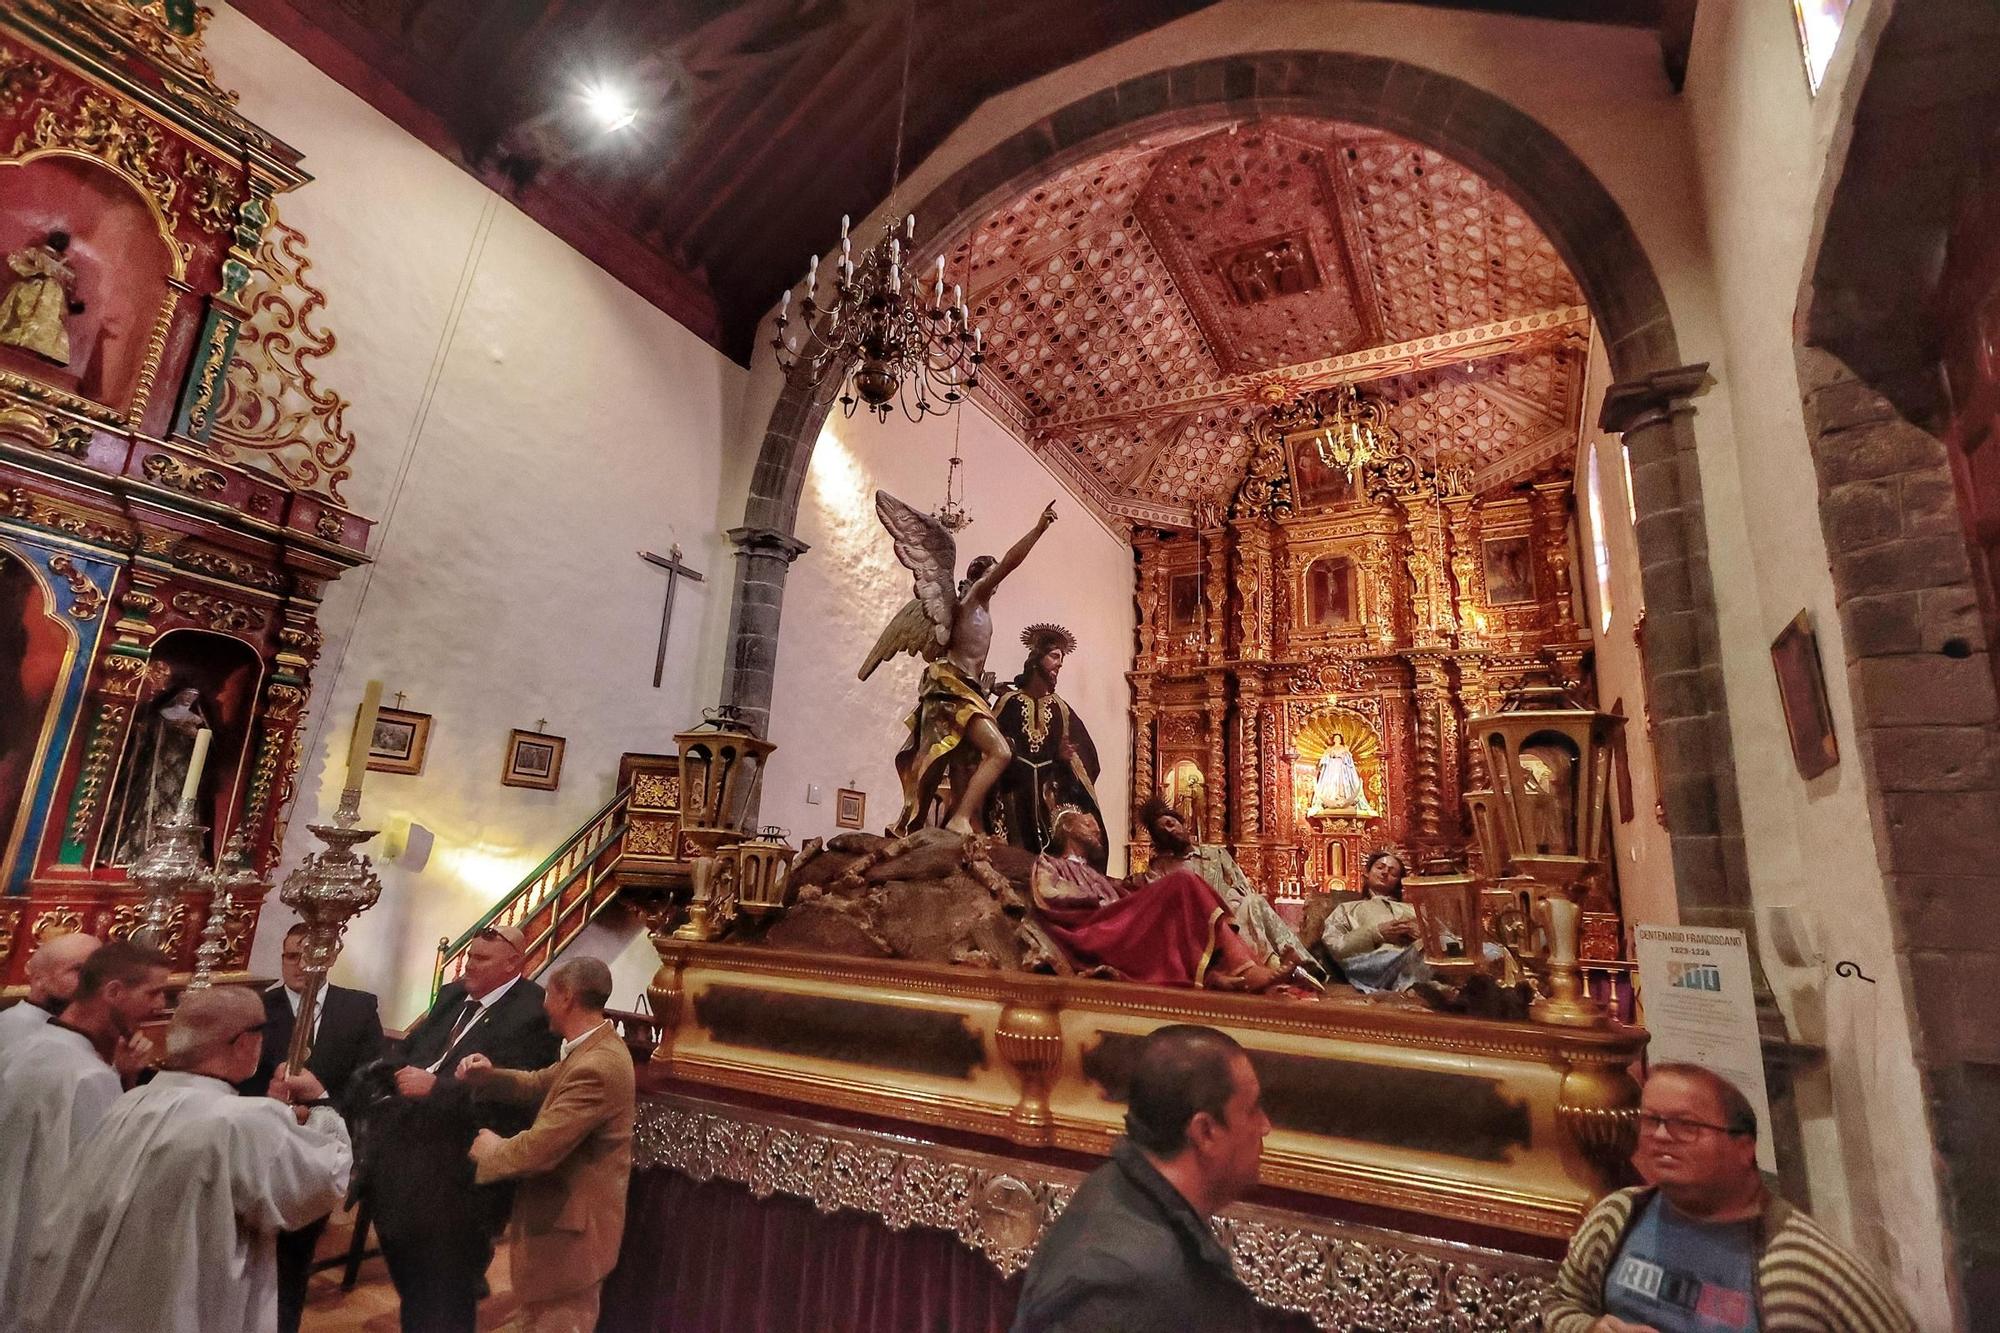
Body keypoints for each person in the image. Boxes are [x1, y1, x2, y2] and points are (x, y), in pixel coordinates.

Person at [19, 987, 351, 1333]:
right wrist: (319, 1102)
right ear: (243, 1043)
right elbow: (327, 1177)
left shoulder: (133, 1102)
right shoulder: (240, 1121)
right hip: (187, 1297)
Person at [1544, 1063, 1913, 1333]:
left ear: (1744, 1147)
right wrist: (1590, 1329)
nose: (1660, 1136)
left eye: (1685, 1125)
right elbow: (1561, 1305)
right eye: (1650, 1120)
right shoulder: (1617, 1219)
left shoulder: (1803, 1269)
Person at [1012, 1025, 1276, 1332]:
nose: (1265, 1126)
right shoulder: (1139, 1289)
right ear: (1205, 1132)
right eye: (1252, 1110)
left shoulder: (1115, 1184)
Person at [365, 922, 558, 1333]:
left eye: (481, 959)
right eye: (469, 956)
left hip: (462, 1154)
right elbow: (414, 1049)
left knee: (443, 1281)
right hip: (407, 1139)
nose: (468, 965)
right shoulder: (454, 995)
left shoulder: (533, 1012)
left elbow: (515, 1092)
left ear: (513, 965)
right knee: (410, 1262)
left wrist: (437, 1088)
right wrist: (396, 1072)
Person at [457, 957, 635, 1333]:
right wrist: (490, 1077)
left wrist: (490, 1150)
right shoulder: (591, 1048)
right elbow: (541, 1083)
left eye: (549, 995)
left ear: (567, 997)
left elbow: (539, 1149)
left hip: (573, 1240)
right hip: (559, 1231)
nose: (543, 1004)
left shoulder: (598, 1066)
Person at [0, 939, 169, 1329]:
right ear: (113, 992)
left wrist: (121, 1075)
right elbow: (98, 1190)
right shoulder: (87, 1076)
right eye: (154, 992)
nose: (160, 1006)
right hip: (39, 1248)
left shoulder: (31, 1046)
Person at [239, 923, 385, 1333]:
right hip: (260, 1138)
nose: (300, 965)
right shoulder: (256, 1007)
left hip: (324, 1144)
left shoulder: (357, 1007)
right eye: (290, 956)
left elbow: (372, 1078)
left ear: (332, 957)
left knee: (296, 1252)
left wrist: (323, 1097)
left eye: (311, 955)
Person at [1032, 809, 1284, 993]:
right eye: (1088, 823)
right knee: (1182, 882)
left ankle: (1222, 972)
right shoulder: (1050, 863)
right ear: (1066, 827)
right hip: (1095, 929)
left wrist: (1122, 893)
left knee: (1183, 897)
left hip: (1117, 923)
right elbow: (1049, 893)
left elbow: (1127, 890)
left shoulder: (1099, 875)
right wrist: (1100, 899)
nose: (1097, 830)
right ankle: (1244, 971)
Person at [1135, 797, 1322, 988]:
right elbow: (1157, 902)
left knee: (1252, 901)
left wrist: (1229, 901)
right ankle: (1278, 965)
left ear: (1182, 823)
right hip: (1198, 928)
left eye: (1170, 823)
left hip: (1233, 915)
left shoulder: (1216, 854)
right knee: (1248, 905)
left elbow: (1242, 885)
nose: (1170, 831)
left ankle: (1296, 966)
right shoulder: (1161, 868)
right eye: (1162, 831)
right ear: (1159, 841)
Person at [989, 623, 1105, 861]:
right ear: (1036, 658)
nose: (1059, 665)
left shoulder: (1060, 708)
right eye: (1054, 656)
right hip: (1011, 795)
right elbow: (988, 746)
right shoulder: (1009, 701)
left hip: (1046, 801)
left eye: (1061, 660)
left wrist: (1065, 760)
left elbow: (1087, 759)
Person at [1318, 850, 1427, 993]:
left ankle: (1419, 984)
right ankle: (1418, 984)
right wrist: (1376, 933)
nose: (1385, 873)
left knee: (1434, 951)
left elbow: (1445, 938)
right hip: (1370, 963)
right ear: (1367, 873)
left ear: (1399, 882)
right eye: (1380, 867)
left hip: (1414, 956)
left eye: (1393, 873)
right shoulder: (1347, 909)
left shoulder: (1413, 910)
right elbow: (1334, 945)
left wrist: (1424, 934)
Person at [0, 932, 99, 1064]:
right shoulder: (12, 1029)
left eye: (98, 972)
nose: (93, 981)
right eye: (78, 970)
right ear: (39, 977)